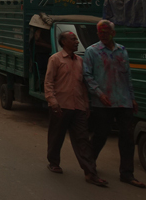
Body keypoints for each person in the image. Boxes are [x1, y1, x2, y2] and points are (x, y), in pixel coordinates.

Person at [83, 20, 146, 189]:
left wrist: (132, 98)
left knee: (127, 138)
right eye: (100, 33)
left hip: (123, 101)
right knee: (100, 136)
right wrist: (99, 93)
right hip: (103, 102)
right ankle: (89, 168)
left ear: (113, 33)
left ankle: (127, 174)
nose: (102, 35)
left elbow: (128, 76)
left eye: (105, 32)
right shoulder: (92, 51)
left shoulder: (122, 51)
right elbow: (88, 76)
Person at [44, 32, 107, 187]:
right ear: (64, 42)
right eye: (73, 39)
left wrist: (86, 104)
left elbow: (83, 86)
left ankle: (90, 172)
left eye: (77, 39)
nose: (77, 41)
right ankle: (53, 162)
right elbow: (49, 82)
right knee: (56, 136)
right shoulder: (55, 59)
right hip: (60, 106)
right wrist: (53, 102)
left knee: (82, 140)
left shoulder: (80, 61)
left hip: (78, 106)